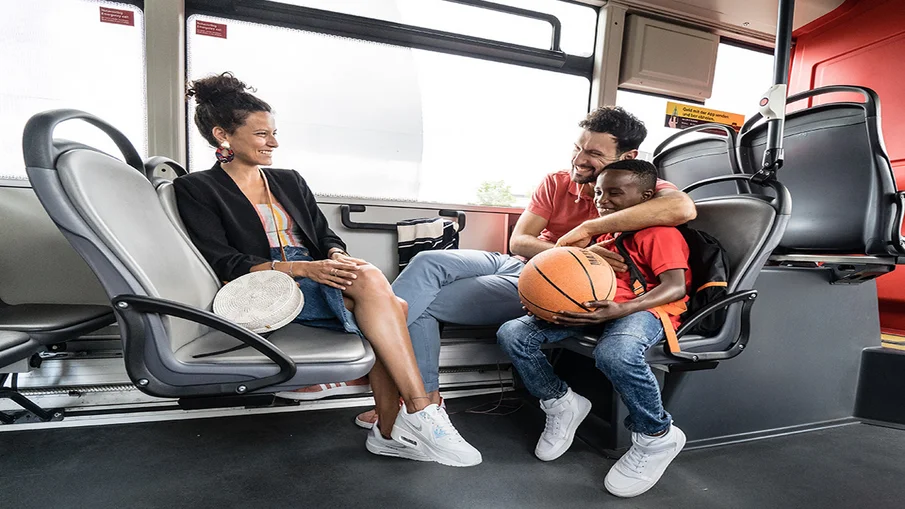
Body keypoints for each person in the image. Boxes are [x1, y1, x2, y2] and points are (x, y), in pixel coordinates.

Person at [174, 72, 481, 467]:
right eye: (262, 135)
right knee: (394, 306)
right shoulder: (197, 188)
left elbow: (324, 234)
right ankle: (415, 416)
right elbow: (225, 261)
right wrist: (304, 269)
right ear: (223, 136)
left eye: (274, 133)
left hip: (315, 270)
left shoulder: (288, 180)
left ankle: (399, 426)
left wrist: (334, 256)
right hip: (265, 284)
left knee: (375, 284)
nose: (274, 143)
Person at [354, 107, 697, 428]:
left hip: (553, 281)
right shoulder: (557, 181)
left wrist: (587, 232)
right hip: (520, 262)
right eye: (578, 148)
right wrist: (569, 248)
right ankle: (396, 375)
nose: (579, 160)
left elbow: (682, 209)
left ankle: (420, 401)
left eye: (594, 154)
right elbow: (519, 241)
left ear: (628, 157)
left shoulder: (638, 186)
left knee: (420, 304)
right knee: (428, 261)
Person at [497, 159, 691, 498]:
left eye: (615, 193)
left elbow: (674, 287)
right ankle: (560, 402)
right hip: (595, 307)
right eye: (599, 192)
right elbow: (562, 268)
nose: (603, 200)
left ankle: (656, 435)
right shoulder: (603, 232)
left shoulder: (660, 233)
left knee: (615, 353)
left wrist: (622, 308)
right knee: (514, 333)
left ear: (647, 195)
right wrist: (543, 297)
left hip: (643, 309)